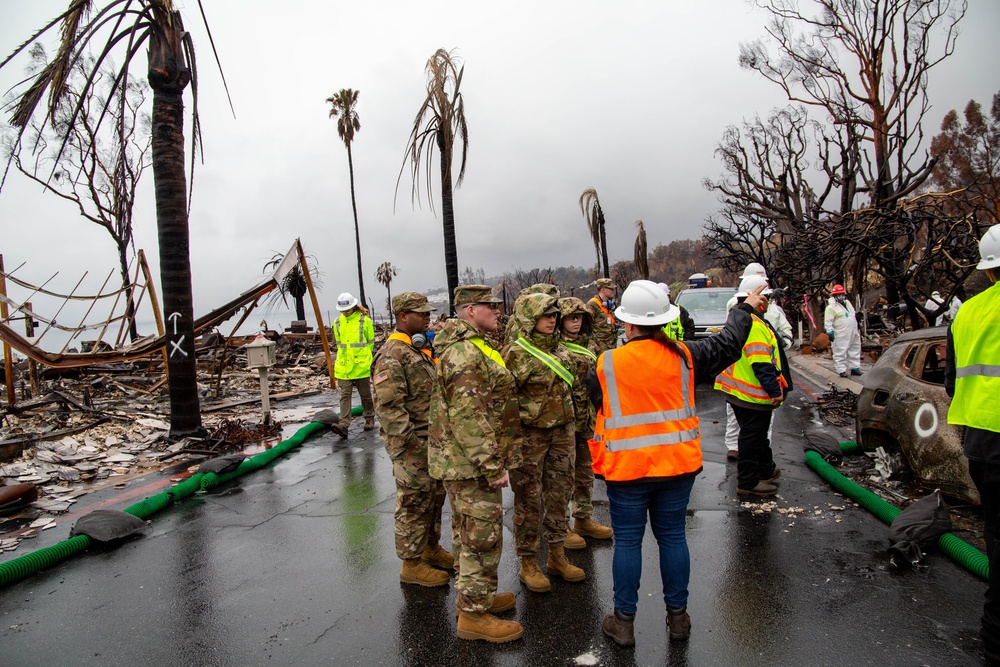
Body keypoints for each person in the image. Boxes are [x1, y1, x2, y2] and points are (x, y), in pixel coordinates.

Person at [588, 279, 767, 647]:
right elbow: (729, 343)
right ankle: (679, 619)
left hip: (627, 470)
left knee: (627, 542)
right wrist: (744, 308)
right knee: (672, 538)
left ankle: (623, 622)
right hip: (677, 466)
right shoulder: (686, 356)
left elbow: (598, 402)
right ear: (665, 319)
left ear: (627, 323)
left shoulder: (605, 364)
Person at [428, 284, 523, 643]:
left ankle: (474, 598)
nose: (498, 311)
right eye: (490, 306)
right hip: (469, 465)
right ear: (470, 310)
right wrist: (491, 464)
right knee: (481, 538)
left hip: (464, 463)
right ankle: (473, 616)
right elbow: (468, 416)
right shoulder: (465, 353)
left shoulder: (475, 346)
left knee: (468, 535)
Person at [945, 224, 1000, 666]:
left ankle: (995, 641)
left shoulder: (966, 313)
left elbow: (951, 381)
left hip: (980, 440)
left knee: (996, 537)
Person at [504, 292, 585, 591]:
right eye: (545, 315)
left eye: (554, 315)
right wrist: (509, 446)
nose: (552, 320)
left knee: (559, 495)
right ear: (529, 318)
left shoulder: (562, 351)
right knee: (528, 500)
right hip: (531, 437)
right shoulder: (515, 354)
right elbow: (504, 404)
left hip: (562, 434)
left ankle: (556, 555)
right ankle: (528, 562)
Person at [372, 291, 452, 588]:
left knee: (433, 498)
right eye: (421, 313)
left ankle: (430, 548)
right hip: (412, 445)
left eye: (428, 312)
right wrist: (409, 448)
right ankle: (411, 563)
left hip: (431, 441)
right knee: (414, 502)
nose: (427, 316)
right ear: (403, 316)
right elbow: (390, 409)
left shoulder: (417, 349)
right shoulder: (392, 354)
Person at [715, 275, 787, 498]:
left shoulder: (741, 319)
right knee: (752, 436)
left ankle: (766, 469)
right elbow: (761, 363)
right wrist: (774, 391)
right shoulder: (754, 325)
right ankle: (747, 481)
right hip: (751, 393)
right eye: (764, 298)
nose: (766, 303)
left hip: (739, 391)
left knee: (757, 434)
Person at [557, 297, 614, 551]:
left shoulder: (590, 344)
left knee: (584, 472)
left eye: (580, 317)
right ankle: (562, 526)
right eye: (571, 317)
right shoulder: (554, 347)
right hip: (564, 420)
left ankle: (582, 518)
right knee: (562, 477)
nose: (576, 321)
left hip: (587, 418)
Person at [723, 264, 792, 460]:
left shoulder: (770, 312)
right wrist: (774, 389)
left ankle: (754, 453)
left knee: (746, 422)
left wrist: (781, 343)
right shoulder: (743, 313)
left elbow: (784, 334)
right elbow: (760, 359)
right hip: (754, 376)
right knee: (755, 424)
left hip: (747, 373)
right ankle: (750, 457)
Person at [332, 292, 375, 436]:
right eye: (342, 311)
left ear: (353, 307)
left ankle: (369, 417)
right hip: (344, 367)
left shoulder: (364, 320)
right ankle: (343, 425)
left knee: (365, 395)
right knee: (345, 396)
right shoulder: (337, 322)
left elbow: (370, 342)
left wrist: (363, 357)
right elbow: (339, 344)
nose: (344, 313)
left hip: (361, 365)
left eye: (347, 310)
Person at [824, 284, 862, 378]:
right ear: (834, 296)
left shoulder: (847, 303)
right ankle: (841, 370)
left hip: (853, 331)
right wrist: (830, 332)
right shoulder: (831, 308)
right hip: (841, 333)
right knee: (840, 351)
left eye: (841, 294)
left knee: (855, 348)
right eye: (838, 294)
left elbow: (851, 314)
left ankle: (855, 367)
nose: (840, 296)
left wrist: (857, 320)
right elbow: (828, 321)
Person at [587, 278, 618, 353]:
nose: (613, 291)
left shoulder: (608, 304)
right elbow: (587, 327)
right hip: (600, 346)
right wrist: (594, 346)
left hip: (611, 344)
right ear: (603, 290)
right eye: (610, 289)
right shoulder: (592, 304)